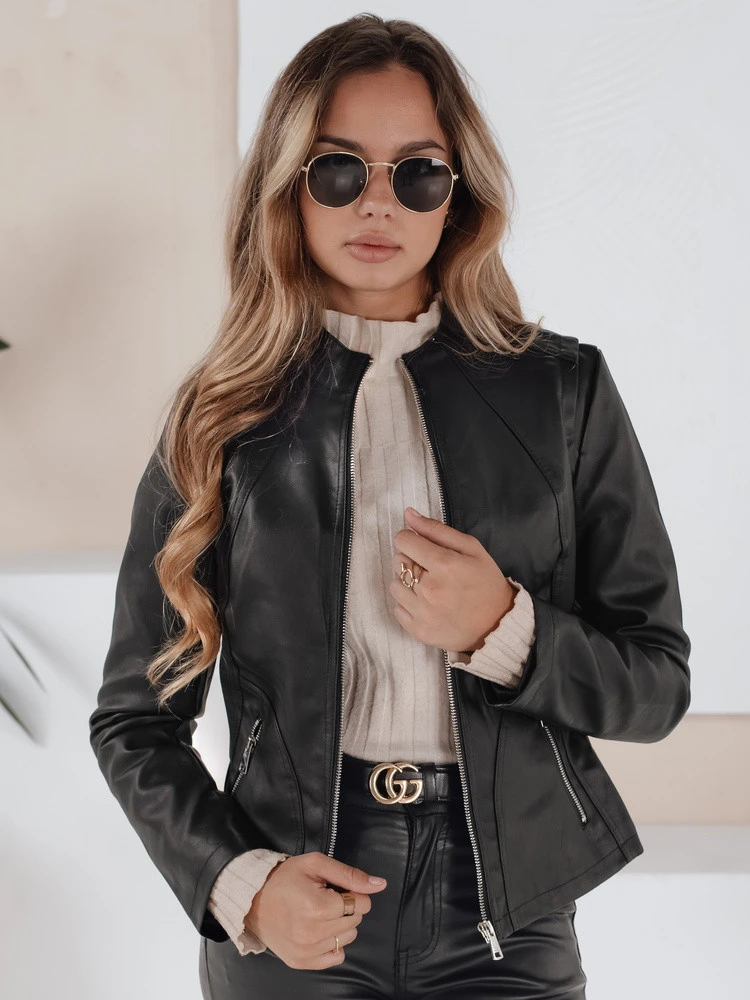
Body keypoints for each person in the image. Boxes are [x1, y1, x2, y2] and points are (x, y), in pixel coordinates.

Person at [89, 14, 691, 1000]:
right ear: (288, 183)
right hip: (297, 901)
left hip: (508, 910)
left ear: (458, 195)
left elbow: (655, 685)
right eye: (338, 169)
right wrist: (245, 883)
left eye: (417, 173)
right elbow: (134, 720)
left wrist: (503, 628)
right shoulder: (220, 416)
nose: (378, 202)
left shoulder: (562, 393)